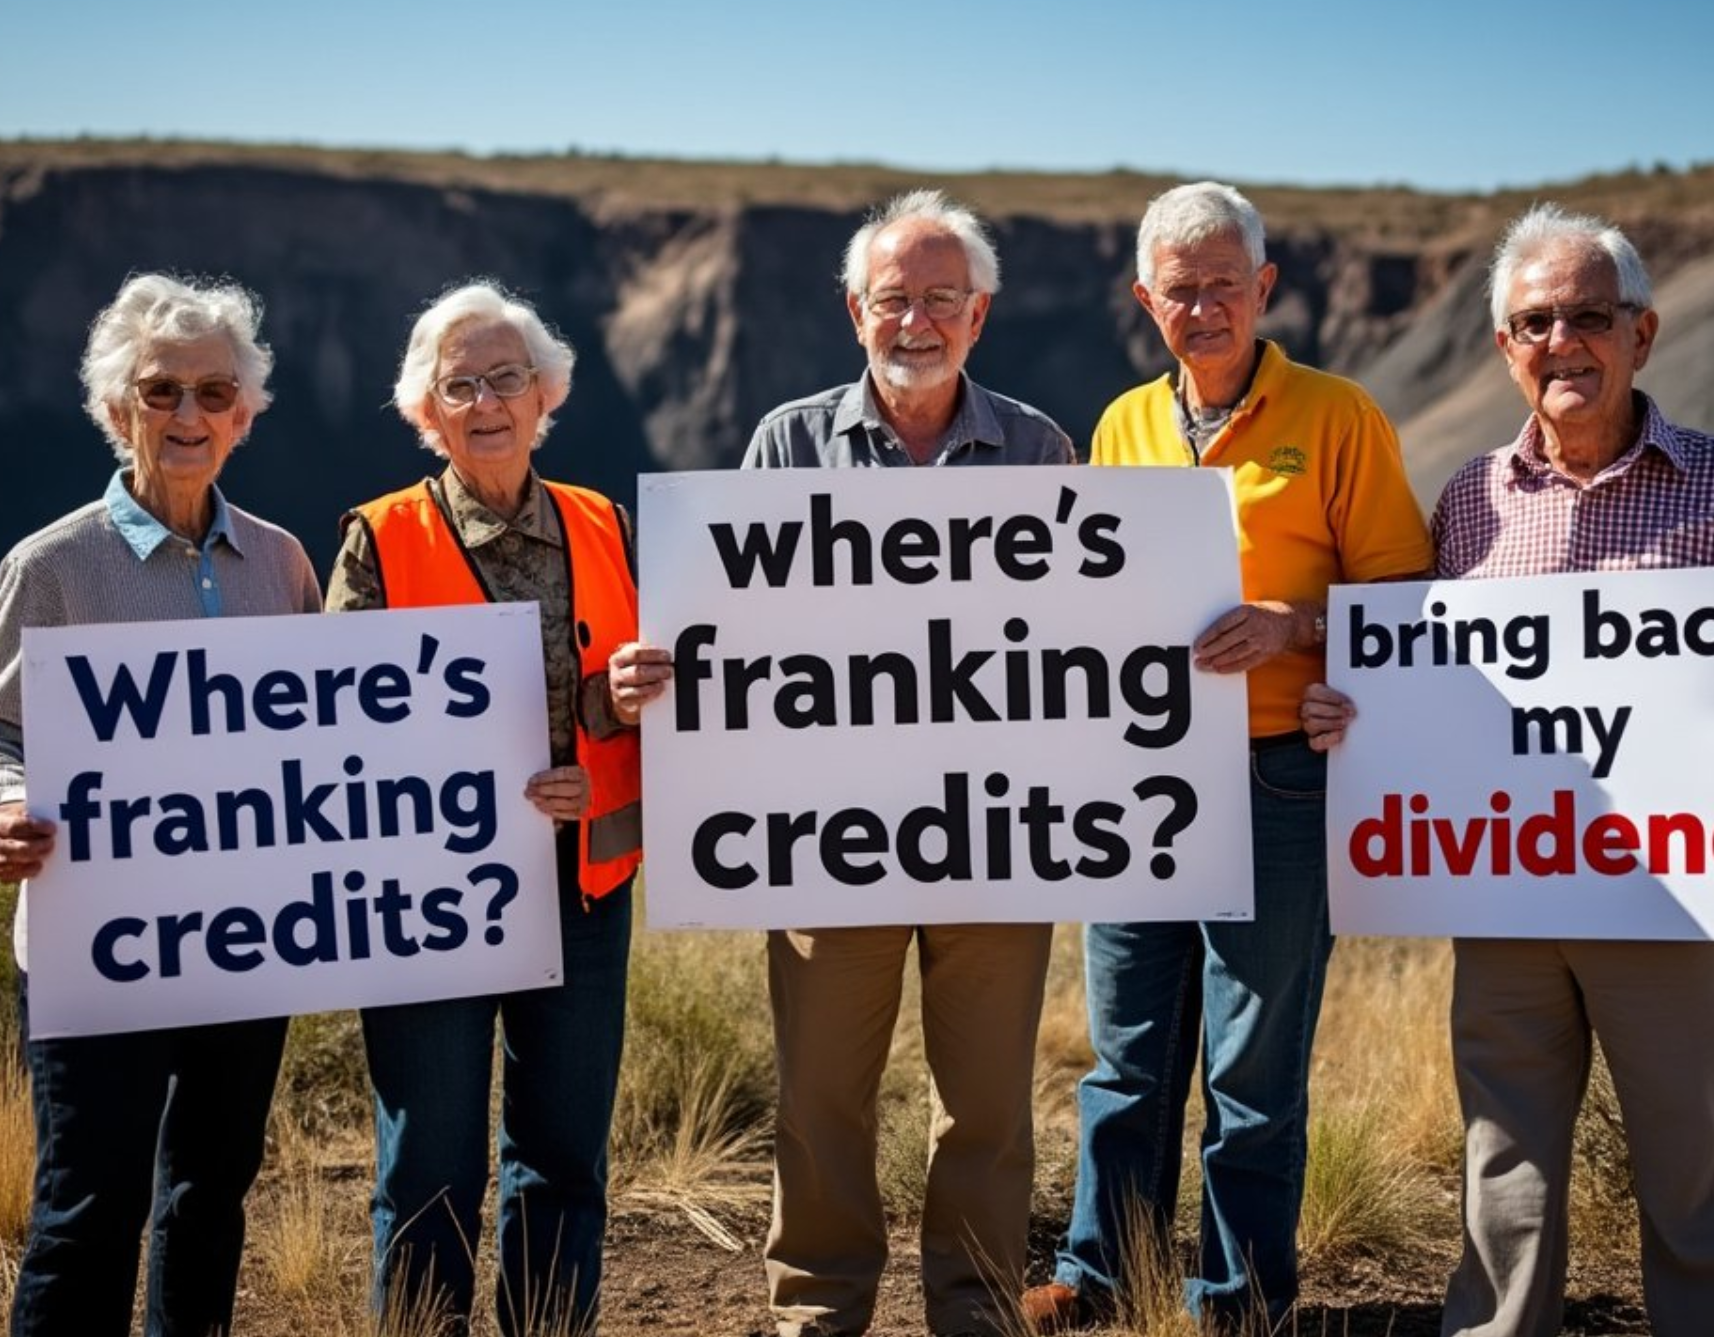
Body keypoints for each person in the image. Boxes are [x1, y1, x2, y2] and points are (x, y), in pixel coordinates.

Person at [1301, 203, 1714, 1337]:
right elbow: (1433, 674)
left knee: (1696, 1164)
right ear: (1504, 347)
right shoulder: (1471, 499)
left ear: (1641, 333)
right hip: (1506, 889)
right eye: (1535, 322)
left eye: (1589, 317)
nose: (1562, 342)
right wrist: (1357, 712)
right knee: (1501, 1165)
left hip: (1671, 892)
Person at [616, 189, 1073, 1337]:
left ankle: (975, 1308)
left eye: (941, 299)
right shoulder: (788, 442)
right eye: (892, 299)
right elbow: (734, 617)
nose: (916, 321)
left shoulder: (1038, 447)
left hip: (994, 833)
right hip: (829, 835)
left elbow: (1080, 636)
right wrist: (667, 665)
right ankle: (818, 1310)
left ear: (980, 314)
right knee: (822, 1097)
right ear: (854, 312)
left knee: (988, 1107)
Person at [1021, 182, 1432, 1333]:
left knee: (1252, 1067)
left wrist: (1295, 627)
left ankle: (1238, 1298)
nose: (1202, 308)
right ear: (1144, 298)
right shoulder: (1121, 425)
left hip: (1277, 777)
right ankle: (1103, 1274)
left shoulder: (1338, 415)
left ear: (1265, 288)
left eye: (1223, 286)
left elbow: (1407, 595)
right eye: (1179, 290)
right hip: (1139, 776)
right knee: (1126, 1054)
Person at [0, 274, 320, 1336]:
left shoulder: (282, 564)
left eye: (214, 392)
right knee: (87, 1210)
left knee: (210, 1195)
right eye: (162, 392)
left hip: (245, 941)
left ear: (244, 416)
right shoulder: (53, 566)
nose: (189, 414)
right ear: (119, 410)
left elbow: (325, 735)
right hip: (96, 946)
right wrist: (2, 806)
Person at [328, 280, 644, 1335]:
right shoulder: (380, 540)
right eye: (458, 386)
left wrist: (610, 731)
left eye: (506, 377)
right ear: (427, 411)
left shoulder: (607, 525)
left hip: (582, 887)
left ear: (545, 392)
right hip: (432, 900)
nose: (486, 402)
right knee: (429, 1164)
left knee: (563, 1160)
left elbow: (636, 703)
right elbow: (338, 731)